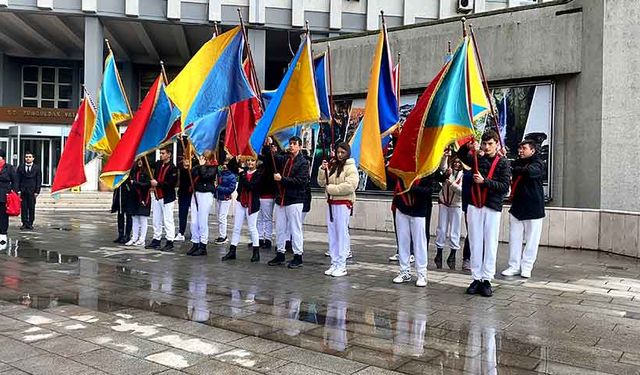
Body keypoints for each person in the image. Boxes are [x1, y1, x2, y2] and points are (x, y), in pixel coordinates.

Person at [457, 130, 511, 297]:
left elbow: (504, 187)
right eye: (484, 144)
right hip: (475, 204)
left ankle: (487, 279)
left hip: (492, 206)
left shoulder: (504, 163)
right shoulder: (477, 159)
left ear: (496, 144)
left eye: (490, 144)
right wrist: (468, 146)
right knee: (475, 241)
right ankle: (476, 277)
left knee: (490, 242)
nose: (487, 147)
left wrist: (485, 182)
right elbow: (461, 155)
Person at [502, 139, 545, 279]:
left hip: (534, 207)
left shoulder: (538, 163)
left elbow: (529, 172)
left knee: (532, 239)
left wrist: (511, 166)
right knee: (514, 237)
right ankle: (513, 266)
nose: (520, 151)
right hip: (517, 207)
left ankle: (527, 267)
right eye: (519, 148)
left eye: (524, 148)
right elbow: (507, 165)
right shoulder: (516, 162)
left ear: (532, 150)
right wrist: (504, 159)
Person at [265, 136, 309, 268]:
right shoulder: (285, 158)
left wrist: (282, 179)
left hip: (294, 199)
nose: (291, 146)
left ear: (300, 146)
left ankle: (298, 255)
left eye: (294, 144)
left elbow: (300, 181)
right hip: (281, 199)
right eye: (290, 143)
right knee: (279, 228)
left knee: (295, 228)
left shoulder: (303, 162)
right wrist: (269, 146)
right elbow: (272, 158)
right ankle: (280, 253)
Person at [317, 142, 359, 277]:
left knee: (341, 233)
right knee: (332, 234)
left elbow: (350, 185)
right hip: (331, 202)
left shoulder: (351, 167)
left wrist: (332, 190)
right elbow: (322, 182)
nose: (340, 155)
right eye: (338, 152)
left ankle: (342, 264)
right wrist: (322, 170)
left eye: (343, 152)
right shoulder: (333, 165)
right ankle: (334, 262)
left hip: (343, 203)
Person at [391, 175, 434, 287]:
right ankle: (404, 271)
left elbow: (429, 190)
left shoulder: (426, 167)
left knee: (419, 242)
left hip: (419, 208)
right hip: (402, 206)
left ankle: (422, 273)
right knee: (402, 241)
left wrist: (412, 187)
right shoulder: (402, 166)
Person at [222, 155, 263, 262]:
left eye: (252, 161)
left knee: (252, 228)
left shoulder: (258, 174)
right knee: (236, 227)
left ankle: (256, 252)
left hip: (252, 204)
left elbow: (250, 186)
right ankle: (232, 251)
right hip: (241, 201)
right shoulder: (243, 170)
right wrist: (236, 157)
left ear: (256, 162)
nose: (250, 163)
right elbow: (231, 166)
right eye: (248, 160)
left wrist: (242, 174)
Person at [434, 154, 463, 269]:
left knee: (454, 230)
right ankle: (439, 253)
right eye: (455, 161)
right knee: (441, 228)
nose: (456, 164)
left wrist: (453, 185)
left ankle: (453, 254)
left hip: (456, 204)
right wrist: (445, 157)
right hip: (444, 202)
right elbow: (442, 167)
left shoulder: (464, 175)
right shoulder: (448, 171)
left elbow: (462, 192)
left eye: (459, 162)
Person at [146, 147, 178, 251]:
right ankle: (156, 239)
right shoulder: (159, 163)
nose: (161, 155)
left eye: (163, 153)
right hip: (157, 196)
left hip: (167, 197)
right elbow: (149, 164)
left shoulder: (173, 168)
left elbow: (171, 183)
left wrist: (158, 183)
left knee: (168, 219)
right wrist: (143, 154)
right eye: (160, 153)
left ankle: (170, 241)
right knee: (156, 219)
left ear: (169, 154)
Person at [187, 150, 217, 256]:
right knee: (194, 221)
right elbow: (191, 173)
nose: (203, 159)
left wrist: (202, 166)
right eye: (203, 157)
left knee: (202, 220)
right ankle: (195, 242)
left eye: (206, 158)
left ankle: (203, 245)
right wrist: (190, 166)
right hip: (196, 193)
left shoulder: (214, 167)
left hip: (206, 194)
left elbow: (205, 176)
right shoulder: (199, 166)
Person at [257, 138, 277, 250]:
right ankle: (260, 238)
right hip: (260, 194)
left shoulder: (272, 164)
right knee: (260, 218)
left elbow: (268, 157)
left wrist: (268, 145)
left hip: (268, 195)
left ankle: (268, 238)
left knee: (267, 218)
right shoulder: (261, 166)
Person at [126, 159, 151, 246]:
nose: (139, 162)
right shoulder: (134, 171)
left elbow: (147, 185)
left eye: (141, 160)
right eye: (138, 160)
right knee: (135, 218)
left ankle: (142, 239)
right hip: (134, 197)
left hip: (144, 197)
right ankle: (134, 238)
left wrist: (136, 183)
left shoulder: (147, 172)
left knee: (143, 219)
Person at [213, 153, 237, 245]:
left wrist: (218, 188)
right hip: (218, 197)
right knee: (219, 217)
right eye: (224, 163)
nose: (224, 166)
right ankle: (221, 235)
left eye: (227, 164)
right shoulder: (220, 174)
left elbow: (230, 189)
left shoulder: (232, 176)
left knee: (222, 218)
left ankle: (223, 236)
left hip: (225, 199)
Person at [16, 151, 41, 230]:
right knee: (23, 208)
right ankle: (24, 223)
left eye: (30, 157)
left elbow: (39, 180)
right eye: (26, 157)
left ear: (33, 158)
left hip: (32, 191)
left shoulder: (37, 168)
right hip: (23, 190)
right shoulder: (21, 167)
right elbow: (17, 179)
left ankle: (30, 223)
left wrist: (37, 191)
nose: (28, 158)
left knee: (31, 207)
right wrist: (18, 190)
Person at [0, 149, 18, 249]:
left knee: (3, 215)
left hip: (4, 195)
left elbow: (15, 181)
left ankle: (3, 234)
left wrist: (13, 192)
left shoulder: (9, 167)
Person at [176, 154, 194, 242]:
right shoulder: (180, 168)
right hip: (183, 193)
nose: (184, 159)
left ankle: (194, 232)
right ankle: (181, 232)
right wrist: (185, 169)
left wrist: (189, 169)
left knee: (195, 215)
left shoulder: (195, 165)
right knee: (182, 214)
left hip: (193, 193)